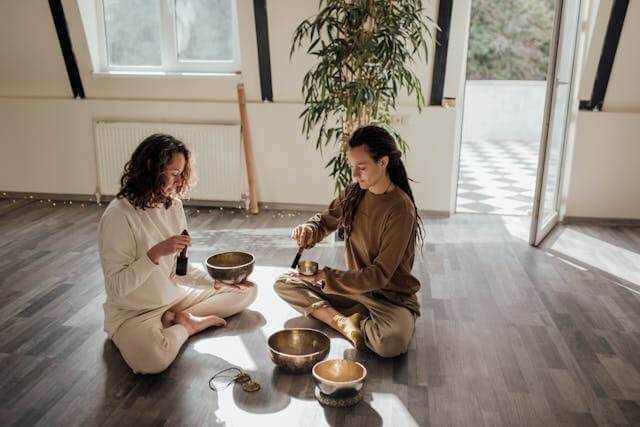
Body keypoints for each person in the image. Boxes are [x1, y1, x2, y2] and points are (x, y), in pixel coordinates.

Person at [98, 133, 256, 374]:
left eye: (181, 174)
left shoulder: (173, 206)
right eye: (173, 174)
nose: (179, 181)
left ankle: (175, 318)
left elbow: (178, 273)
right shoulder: (118, 215)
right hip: (135, 313)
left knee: (247, 291)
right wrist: (155, 254)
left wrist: (214, 282)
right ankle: (187, 326)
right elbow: (116, 288)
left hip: (173, 298)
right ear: (151, 169)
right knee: (152, 360)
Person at [274, 125, 423, 357]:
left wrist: (327, 277)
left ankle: (353, 320)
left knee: (391, 343)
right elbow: (324, 220)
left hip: (389, 299)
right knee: (285, 282)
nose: (354, 175)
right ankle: (344, 323)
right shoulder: (355, 192)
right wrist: (309, 229)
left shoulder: (401, 210)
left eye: (361, 168)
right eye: (352, 167)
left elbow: (380, 274)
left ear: (383, 162)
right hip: (355, 290)